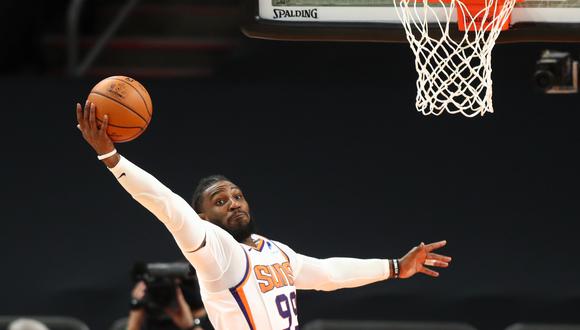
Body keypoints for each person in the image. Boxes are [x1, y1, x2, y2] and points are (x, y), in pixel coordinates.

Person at [76, 101, 452, 330]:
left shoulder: (273, 251)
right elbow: (168, 205)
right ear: (203, 217)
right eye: (220, 201)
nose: (234, 203)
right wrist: (112, 158)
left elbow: (328, 274)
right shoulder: (216, 251)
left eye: (237, 195)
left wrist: (395, 267)